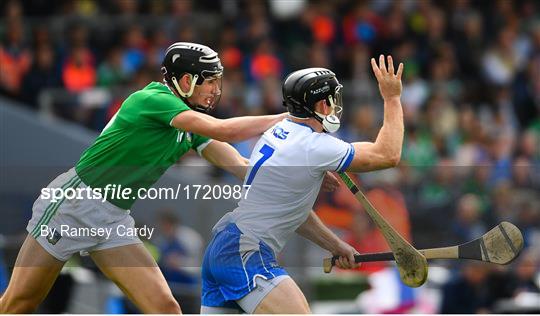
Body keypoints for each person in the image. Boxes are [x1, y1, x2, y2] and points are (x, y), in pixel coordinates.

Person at [0, 42, 288, 313]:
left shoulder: (191, 122)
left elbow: (239, 164)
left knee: (165, 307)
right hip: (73, 207)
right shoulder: (154, 99)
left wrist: (299, 176)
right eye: (209, 80)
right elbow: (226, 131)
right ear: (184, 81)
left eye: (216, 81)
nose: (216, 89)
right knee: (20, 303)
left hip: (113, 219)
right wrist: (285, 118)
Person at [201, 55, 405, 313]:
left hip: (223, 248)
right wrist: (392, 98)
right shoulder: (313, 145)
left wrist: (336, 245)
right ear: (321, 105)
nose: (334, 107)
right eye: (332, 100)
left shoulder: (276, 133)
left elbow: (294, 211)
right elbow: (388, 154)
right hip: (245, 252)